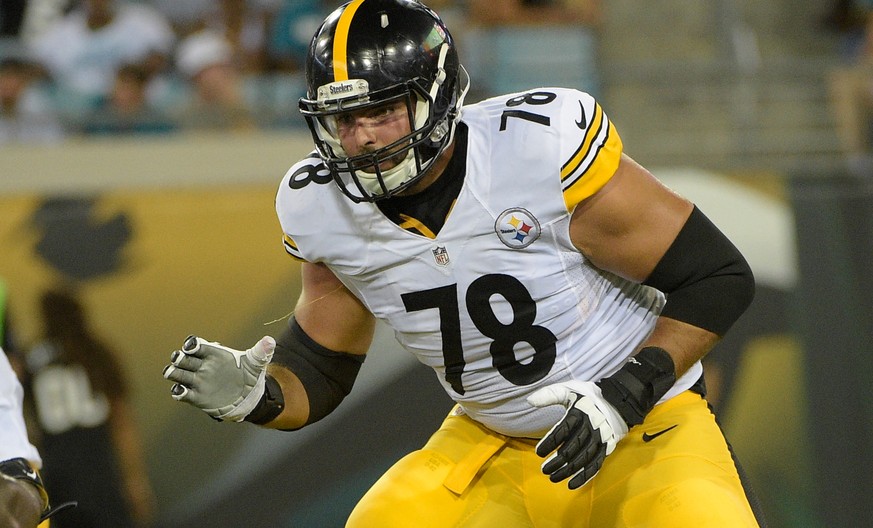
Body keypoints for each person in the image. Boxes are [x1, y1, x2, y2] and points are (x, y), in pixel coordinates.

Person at [162, 0, 765, 526]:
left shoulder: (534, 150)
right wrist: (257, 396)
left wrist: (626, 392)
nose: (364, 138)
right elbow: (319, 370)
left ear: (439, 95)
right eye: (345, 119)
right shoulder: (320, 205)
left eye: (383, 112)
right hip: (490, 443)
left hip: (644, 423)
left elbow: (716, 277)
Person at [24, 287, 154, 528]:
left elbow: (26, 425)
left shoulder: (32, 358)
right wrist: (135, 480)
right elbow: (121, 420)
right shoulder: (96, 352)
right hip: (101, 473)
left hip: (58, 477)